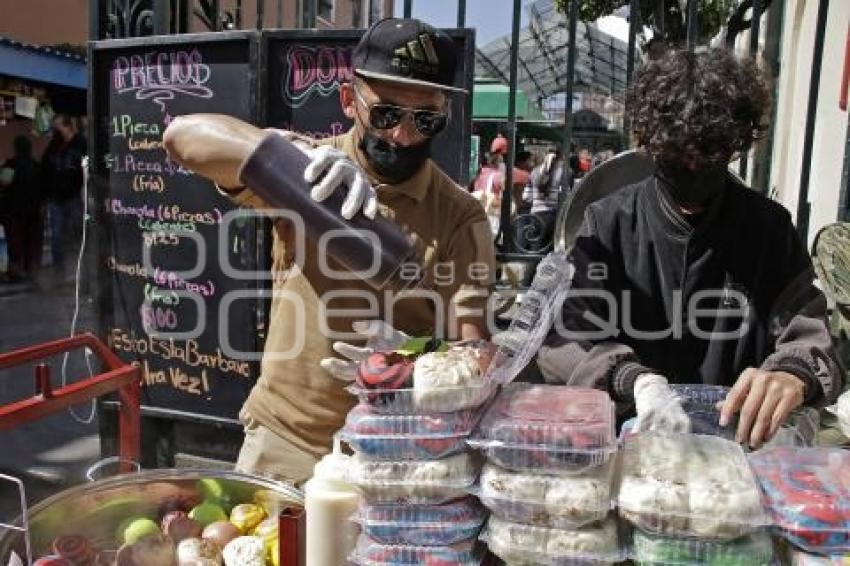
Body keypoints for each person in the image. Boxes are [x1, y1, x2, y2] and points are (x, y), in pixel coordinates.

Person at [164, 17, 496, 482]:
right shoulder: (308, 171)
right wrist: (293, 154)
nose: (402, 135)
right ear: (349, 101)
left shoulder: (461, 216)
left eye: (425, 120)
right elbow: (182, 136)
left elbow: (474, 350)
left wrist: (416, 357)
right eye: (385, 115)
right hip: (286, 438)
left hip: (393, 448)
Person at [533, 49, 842, 448]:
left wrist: (792, 375)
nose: (694, 169)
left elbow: (810, 333)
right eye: (680, 157)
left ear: (735, 146)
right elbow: (565, 336)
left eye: (709, 156)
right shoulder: (607, 222)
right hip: (627, 445)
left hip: (735, 452)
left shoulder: (769, 228)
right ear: (649, 143)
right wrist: (632, 380)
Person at [41, 114, 85, 277]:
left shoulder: (81, 144)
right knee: (57, 237)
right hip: (56, 198)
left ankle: (83, 272)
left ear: (68, 127)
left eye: (58, 127)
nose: (55, 131)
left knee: (79, 234)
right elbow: (44, 169)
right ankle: (59, 272)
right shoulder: (54, 146)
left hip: (74, 196)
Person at [0, 136, 43, 281]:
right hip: (33, 210)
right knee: (32, 242)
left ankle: (15, 271)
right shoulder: (36, 165)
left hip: (13, 210)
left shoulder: (11, 164)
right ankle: (32, 270)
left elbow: (4, 182)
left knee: (15, 243)